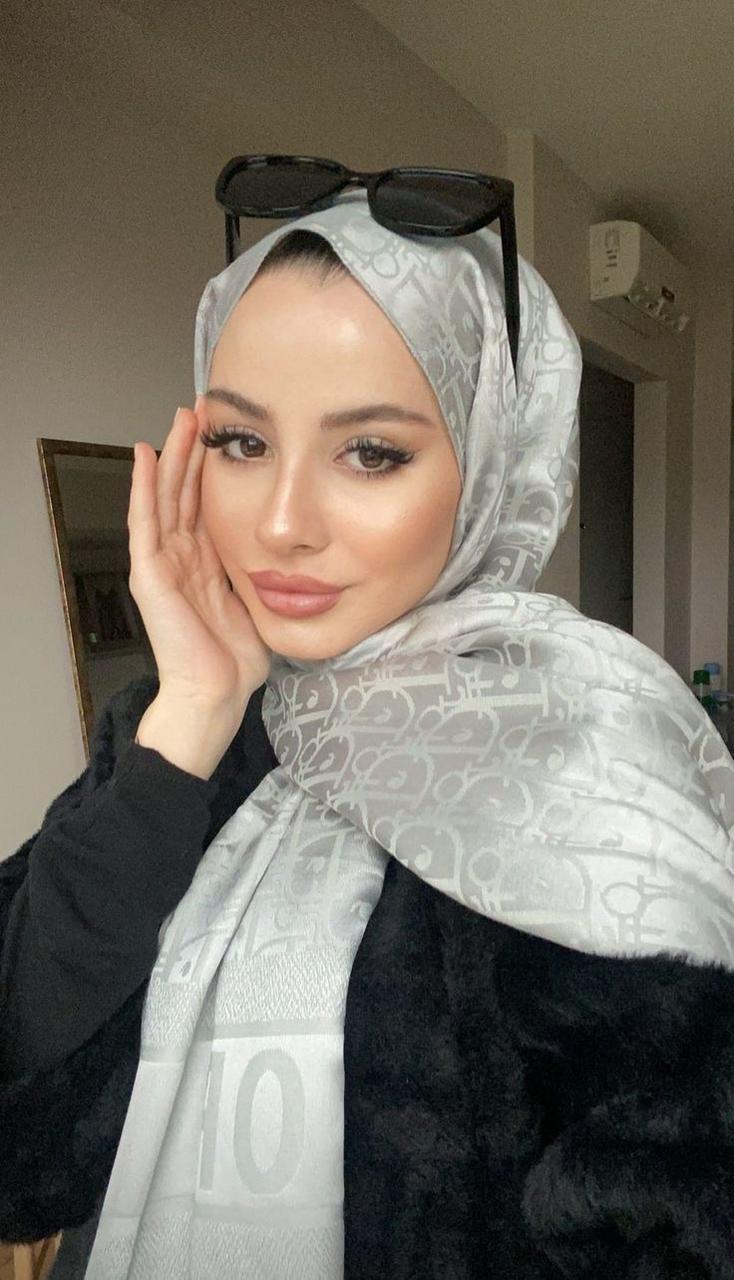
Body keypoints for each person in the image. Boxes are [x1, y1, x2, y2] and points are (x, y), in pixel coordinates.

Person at [2, 191, 734, 1280]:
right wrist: (187, 725)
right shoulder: (180, 725)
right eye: (242, 441)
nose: (281, 521)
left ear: (491, 467)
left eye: (372, 453)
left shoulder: (588, 754)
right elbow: (25, 1139)